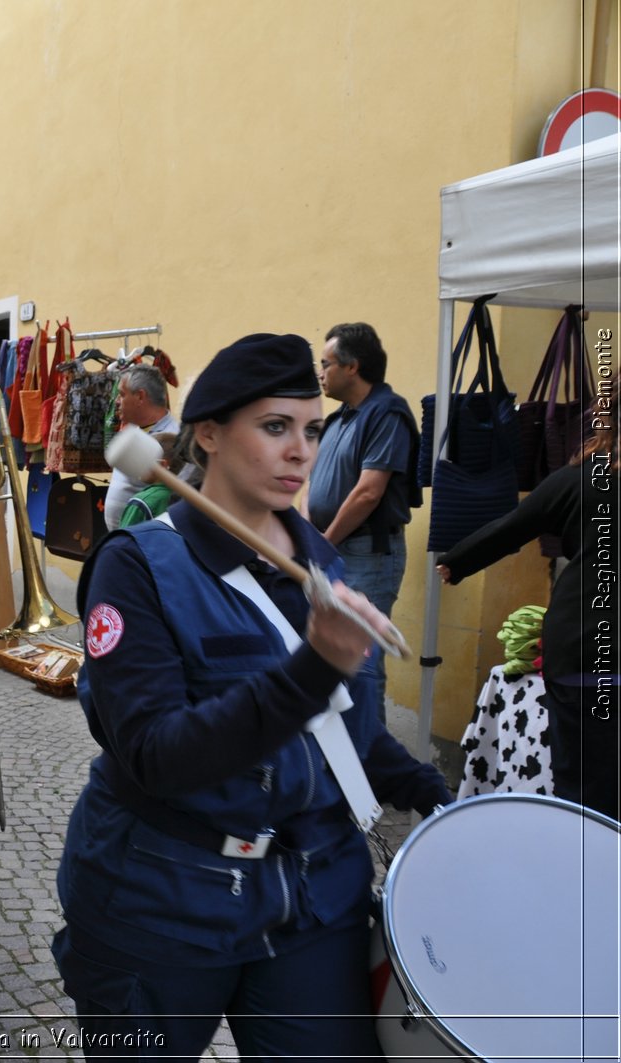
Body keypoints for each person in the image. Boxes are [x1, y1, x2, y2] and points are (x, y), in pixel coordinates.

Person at [54, 333, 451, 1058]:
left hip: (312, 896)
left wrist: (430, 789)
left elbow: (344, 730)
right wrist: (314, 666)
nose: (300, 451)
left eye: (311, 430)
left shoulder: (319, 558)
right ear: (208, 433)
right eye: (275, 427)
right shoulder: (138, 568)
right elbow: (155, 753)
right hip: (162, 895)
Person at [437, 412, 618, 820]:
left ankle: (583, 876)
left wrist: (457, 561)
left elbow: (516, 524)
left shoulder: (582, 478)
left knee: (581, 792)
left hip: (582, 647)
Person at [306, 322, 420, 724]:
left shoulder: (386, 414)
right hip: (329, 549)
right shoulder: (339, 420)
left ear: (352, 367)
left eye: (326, 363)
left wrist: (323, 542)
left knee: (363, 661)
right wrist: (307, 536)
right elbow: (316, 487)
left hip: (364, 554)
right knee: (327, 655)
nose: (320, 372)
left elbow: (369, 492)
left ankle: (371, 758)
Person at [104, 364, 180, 529]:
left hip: (144, 544)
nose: (117, 401)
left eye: (122, 395)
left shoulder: (172, 439)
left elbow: (174, 499)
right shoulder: (132, 430)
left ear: (140, 397)